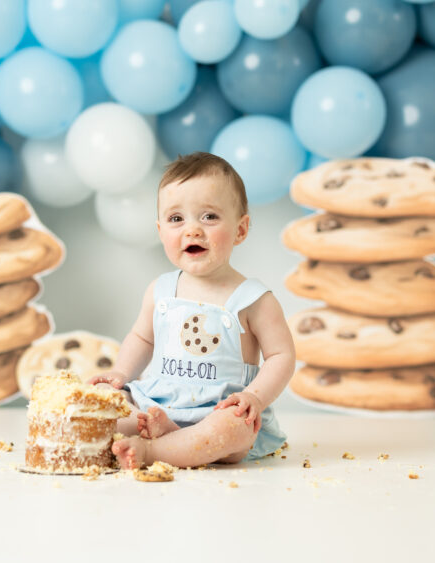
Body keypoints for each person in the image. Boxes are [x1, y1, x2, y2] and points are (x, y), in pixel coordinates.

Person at [90, 152, 296, 469]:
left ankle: (152, 452)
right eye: (176, 219)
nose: (192, 230)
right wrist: (120, 374)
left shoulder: (252, 299)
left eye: (209, 217)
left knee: (234, 429)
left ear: (241, 230)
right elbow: (142, 339)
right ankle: (168, 435)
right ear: (161, 231)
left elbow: (282, 356)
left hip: (217, 411)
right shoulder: (160, 290)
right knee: (103, 402)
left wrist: (254, 397)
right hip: (157, 405)